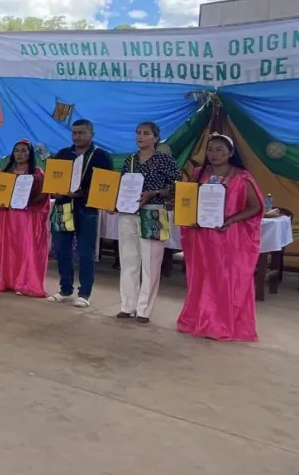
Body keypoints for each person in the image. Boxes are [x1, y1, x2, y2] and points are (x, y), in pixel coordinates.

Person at [177, 134, 262, 342]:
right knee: (202, 276)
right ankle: (201, 319)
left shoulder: (241, 177)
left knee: (226, 279)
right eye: (210, 150)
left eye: (220, 150)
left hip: (228, 237)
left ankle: (221, 323)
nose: (214, 154)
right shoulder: (199, 174)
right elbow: (189, 201)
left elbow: (255, 206)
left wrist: (231, 220)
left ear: (231, 153)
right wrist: (192, 218)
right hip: (202, 237)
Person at [116, 122, 181, 323]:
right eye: (138, 133)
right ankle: (127, 306)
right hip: (128, 213)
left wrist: (155, 192)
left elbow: (177, 186)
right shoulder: (130, 160)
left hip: (153, 212)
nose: (140, 136)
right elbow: (122, 185)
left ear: (156, 137)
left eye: (146, 133)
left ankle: (144, 309)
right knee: (128, 260)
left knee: (151, 263)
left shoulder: (164, 160)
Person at [48, 119, 112, 307]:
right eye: (74, 133)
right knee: (61, 250)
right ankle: (65, 289)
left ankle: (84, 293)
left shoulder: (101, 156)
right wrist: (56, 191)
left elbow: (105, 185)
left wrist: (84, 193)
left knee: (86, 252)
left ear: (92, 134)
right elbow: (54, 180)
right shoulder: (63, 154)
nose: (77, 136)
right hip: (63, 207)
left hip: (86, 209)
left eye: (82, 133)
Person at [0, 140, 50, 298]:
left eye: (24, 151)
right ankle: (10, 281)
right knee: (10, 250)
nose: (20, 154)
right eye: (17, 150)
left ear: (30, 154)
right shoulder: (6, 173)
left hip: (27, 218)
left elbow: (45, 194)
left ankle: (26, 283)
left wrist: (31, 201)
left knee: (27, 250)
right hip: (9, 217)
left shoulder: (37, 173)